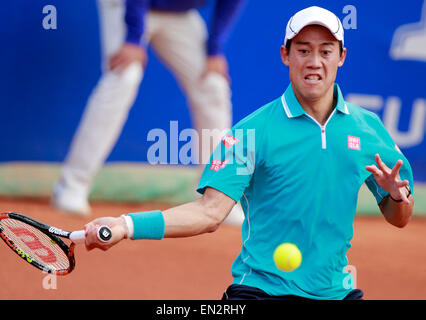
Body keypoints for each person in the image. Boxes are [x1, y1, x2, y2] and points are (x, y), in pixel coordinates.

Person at [81, 6, 415, 300]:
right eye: (303, 50)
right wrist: (126, 225)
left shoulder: (369, 130)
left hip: (336, 292)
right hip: (261, 291)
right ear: (286, 54)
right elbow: (210, 213)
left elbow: (398, 219)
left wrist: (398, 199)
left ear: (341, 57)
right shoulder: (250, 133)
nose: (314, 62)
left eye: (326, 51)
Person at [51, 0, 246, 217]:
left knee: (213, 85)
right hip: (125, 4)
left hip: (178, 14)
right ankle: (71, 185)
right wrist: (133, 37)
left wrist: (215, 50)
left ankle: (214, 195)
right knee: (125, 76)